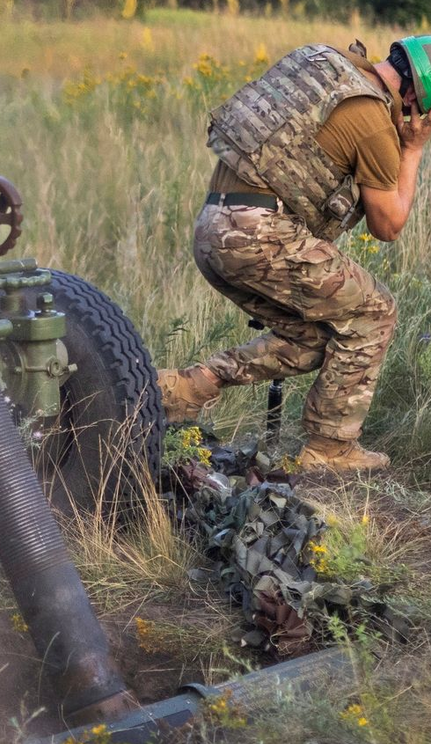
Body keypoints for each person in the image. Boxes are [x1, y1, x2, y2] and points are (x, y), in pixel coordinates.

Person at [159, 37, 431, 472]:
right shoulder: (375, 123)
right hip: (260, 234)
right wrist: (414, 149)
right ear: (416, 100)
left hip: (214, 227)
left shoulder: (323, 60)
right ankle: (330, 448)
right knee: (376, 311)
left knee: (314, 338)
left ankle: (186, 389)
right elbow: (389, 226)